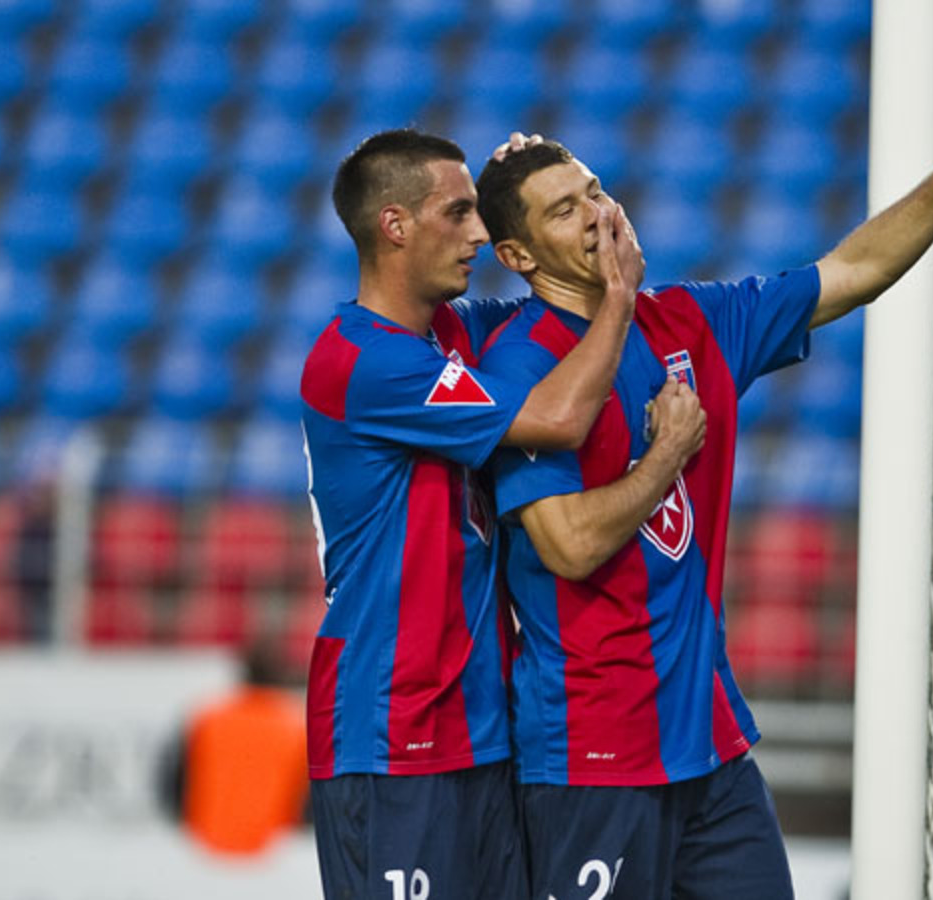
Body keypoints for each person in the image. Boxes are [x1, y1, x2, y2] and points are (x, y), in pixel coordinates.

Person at [473, 97, 933, 899]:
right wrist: (667, 456)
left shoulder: (690, 324)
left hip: (709, 747)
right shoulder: (520, 367)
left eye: (596, 190)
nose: (597, 214)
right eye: (564, 210)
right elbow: (569, 545)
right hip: (590, 753)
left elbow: (852, 272)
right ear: (517, 254)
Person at [299, 128, 651, 900]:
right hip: (390, 731)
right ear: (395, 225)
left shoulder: (455, 333)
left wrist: (518, 166)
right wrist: (621, 301)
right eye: (459, 213)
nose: (482, 234)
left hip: (481, 729)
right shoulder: (359, 360)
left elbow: (549, 294)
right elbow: (558, 419)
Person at [161, 643, 308, 856]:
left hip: (204, 844)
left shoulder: (207, 716)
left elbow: (176, 780)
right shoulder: (295, 724)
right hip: (270, 848)